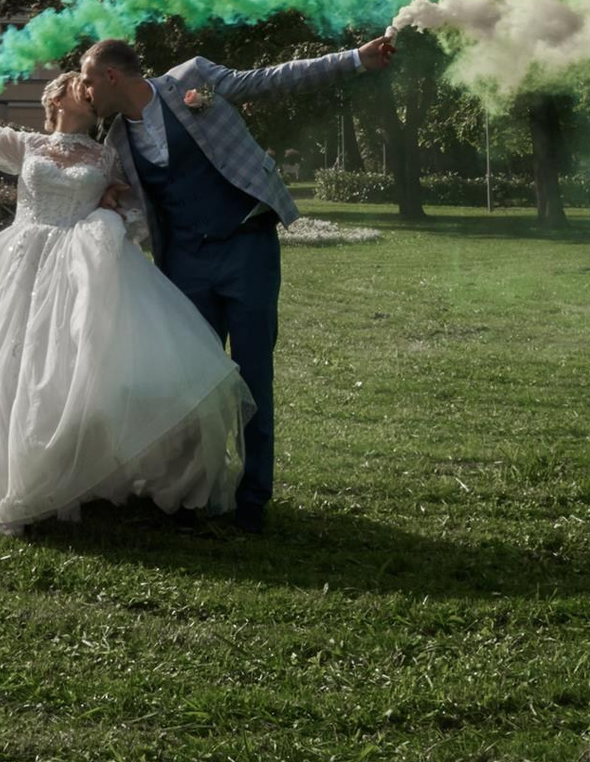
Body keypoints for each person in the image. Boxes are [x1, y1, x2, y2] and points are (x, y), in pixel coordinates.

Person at [0, 74, 254, 534]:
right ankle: (9, 473)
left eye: (93, 82)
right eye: (79, 81)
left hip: (82, 267)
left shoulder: (108, 155)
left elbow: (139, 208)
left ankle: (70, 463)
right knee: (10, 365)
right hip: (22, 263)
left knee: (71, 366)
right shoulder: (29, 144)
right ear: (56, 96)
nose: (89, 87)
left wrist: (113, 211)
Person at [80, 32, 393, 534]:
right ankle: (191, 494)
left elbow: (272, 79)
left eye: (89, 79)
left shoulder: (192, 79)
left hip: (246, 246)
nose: (84, 90)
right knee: (189, 384)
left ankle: (252, 501)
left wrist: (356, 59)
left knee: (252, 374)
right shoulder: (114, 142)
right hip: (183, 265)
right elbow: (139, 204)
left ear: (111, 75)